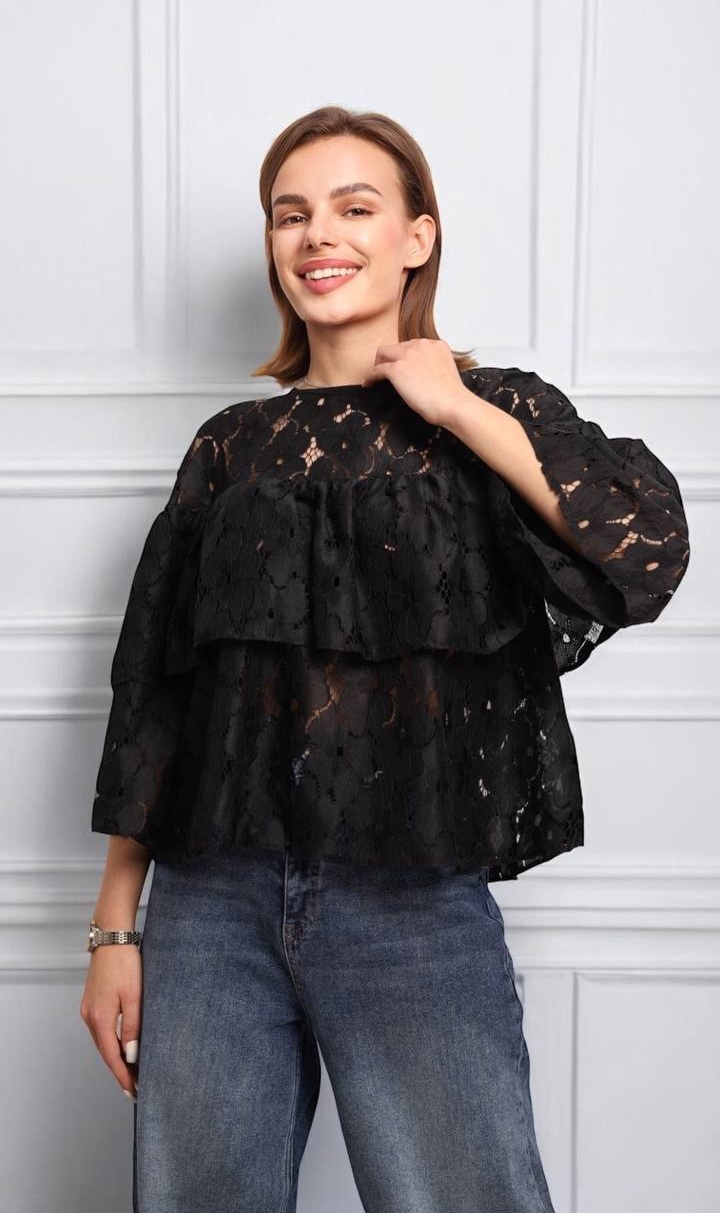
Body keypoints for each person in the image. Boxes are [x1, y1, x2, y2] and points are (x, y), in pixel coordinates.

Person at [80, 106, 690, 1213]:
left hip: (410, 902)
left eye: (355, 207)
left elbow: (639, 546)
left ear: (417, 236)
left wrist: (452, 403)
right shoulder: (227, 448)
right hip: (211, 904)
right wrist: (117, 927)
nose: (320, 235)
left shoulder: (493, 411)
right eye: (292, 214)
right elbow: (157, 699)